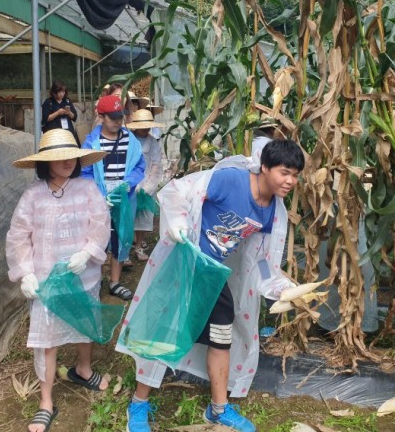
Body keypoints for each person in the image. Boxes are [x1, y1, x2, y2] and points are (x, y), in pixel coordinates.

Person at [119, 139, 306, 432]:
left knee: (222, 336)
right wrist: (179, 222)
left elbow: (260, 259)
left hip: (212, 275)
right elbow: (178, 190)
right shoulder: (232, 180)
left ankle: (218, 409)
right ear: (265, 167)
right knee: (166, 332)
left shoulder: (270, 211)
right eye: (285, 172)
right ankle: (139, 403)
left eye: (295, 175)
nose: (291, 181)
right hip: (186, 263)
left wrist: (279, 287)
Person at [5, 129, 111, 432]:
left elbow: (101, 224)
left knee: (84, 325)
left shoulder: (88, 188)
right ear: (45, 162)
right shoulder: (32, 195)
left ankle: (83, 368)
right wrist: (25, 272)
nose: (66, 161)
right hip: (46, 281)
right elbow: (18, 236)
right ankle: (46, 401)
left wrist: (89, 252)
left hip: (82, 276)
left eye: (70, 156)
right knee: (46, 340)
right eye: (58, 157)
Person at [81, 94, 145, 300]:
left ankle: (115, 282)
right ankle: (95, 281)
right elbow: (85, 172)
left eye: (121, 117)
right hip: (99, 201)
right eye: (113, 117)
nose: (118, 121)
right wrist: (99, 195)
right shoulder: (91, 143)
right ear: (102, 116)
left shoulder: (130, 140)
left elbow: (139, 166)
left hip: (124, 200)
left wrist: (128, 183)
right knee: (98, 240)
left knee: (120, 237)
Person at [126, 109, 165, 261]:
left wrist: (148, 186)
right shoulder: (129, 140)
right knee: (128, 218)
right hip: (130, 182)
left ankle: (138, 247)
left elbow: (156, 163)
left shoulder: (152, 141)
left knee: (143, 218)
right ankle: (124, 251)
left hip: (146, 182)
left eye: (147, 126)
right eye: (142, 126)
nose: (145, 129)